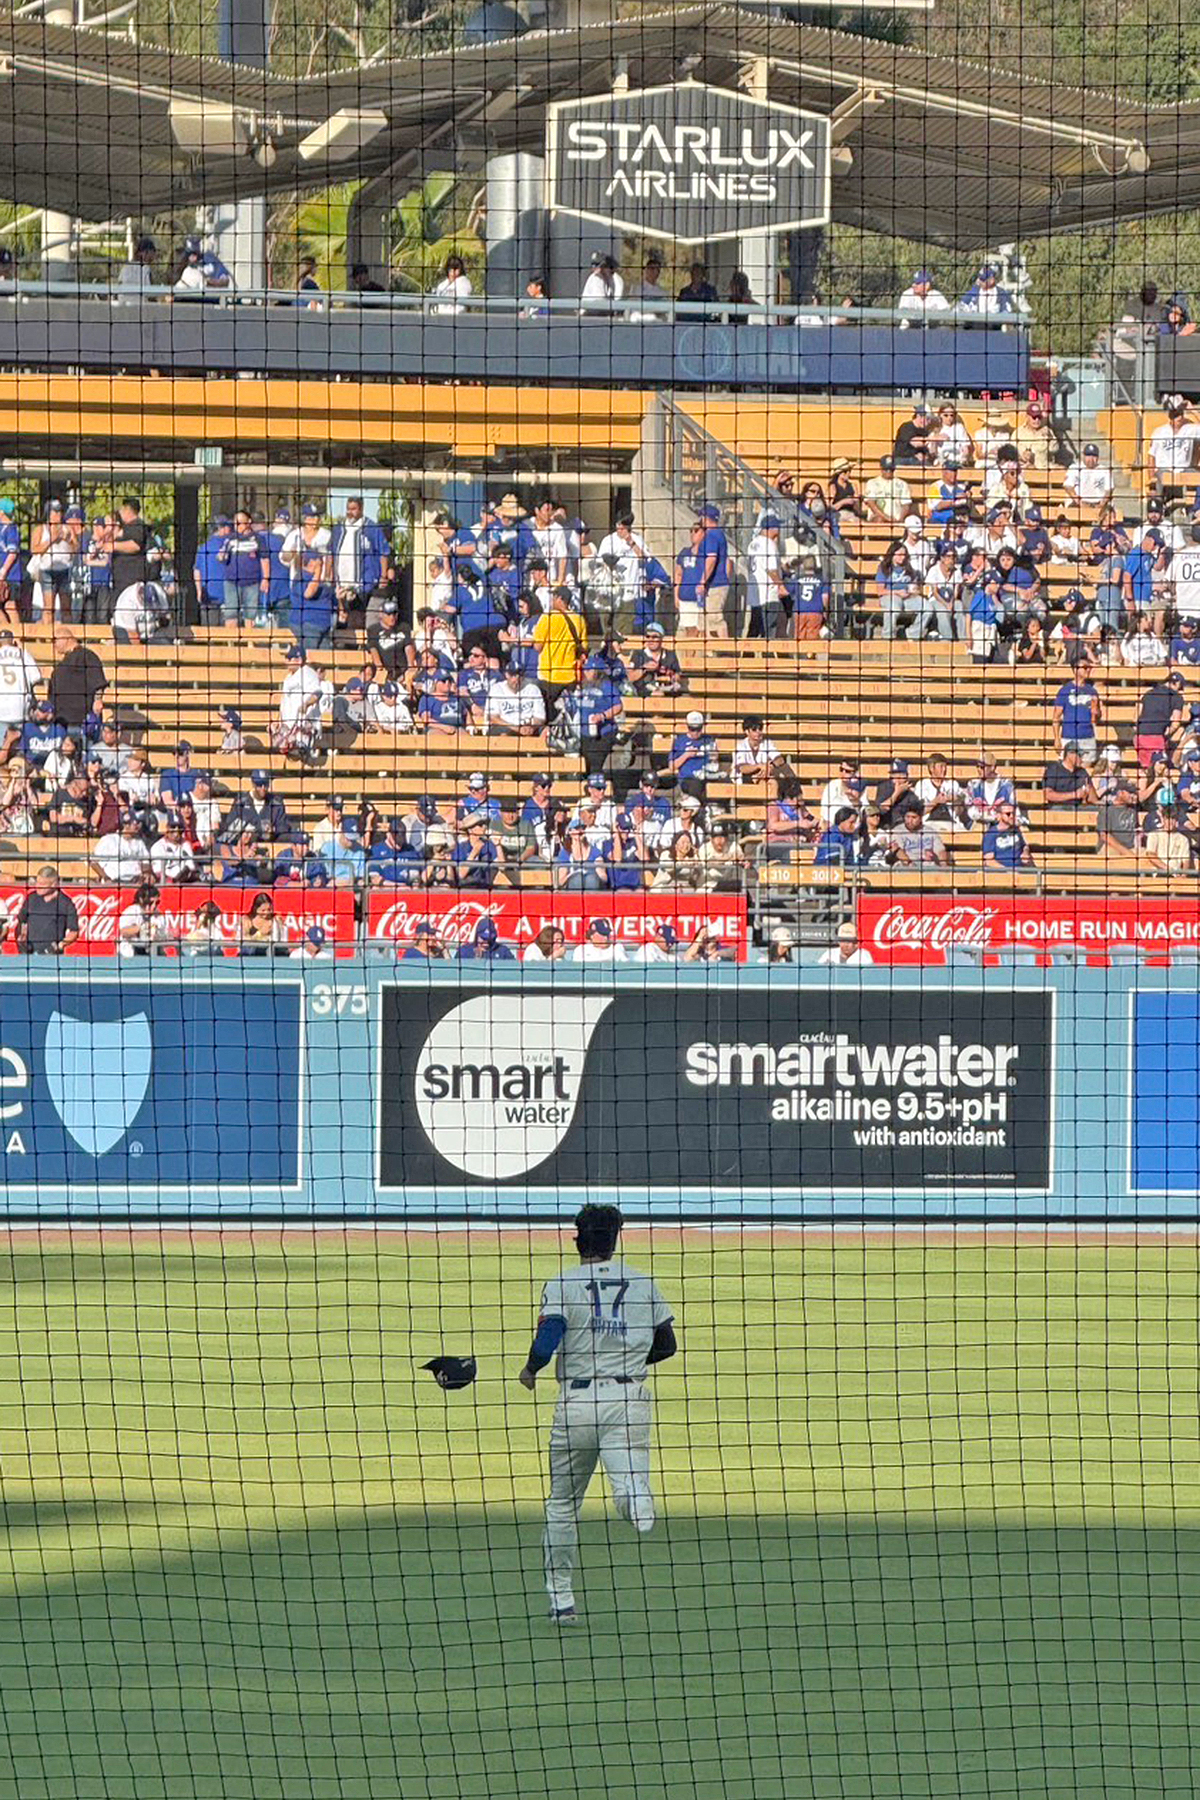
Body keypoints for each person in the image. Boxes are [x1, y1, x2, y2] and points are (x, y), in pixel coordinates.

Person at [519, 1201, 676, 1626]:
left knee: (563, 1504)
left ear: (577, 1239)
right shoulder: (643, 1283)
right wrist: (627, 1361)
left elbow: (550, 1334)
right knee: (628, 1477)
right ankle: (633, 1496)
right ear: (615, 1239)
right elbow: (667, 1344)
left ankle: (561, 1600)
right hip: (627, 1399)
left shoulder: (563, 1283)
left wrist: (532, 1368)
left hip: (576, 1402)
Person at [328, 497, 391, 635]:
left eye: (354, 509)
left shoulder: (371, 528)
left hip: (366, 583)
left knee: (364, 619)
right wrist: (329, 573)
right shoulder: (338, 529)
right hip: (342, 584)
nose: (350, 512)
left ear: (361, 509)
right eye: (348, 509)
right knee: (343, 619)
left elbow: (383, 552)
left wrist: (383, 575)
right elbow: (330, 553)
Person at [46, 627, 106, 732]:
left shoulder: (86, 655)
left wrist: (98, 700)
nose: (54, 644)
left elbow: (97, 679)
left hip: (80, 719)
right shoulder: (64, 662)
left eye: (55, 640)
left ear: (67, 638)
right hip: (60, 719)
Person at [16, 865, 79, 954]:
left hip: (52, 955)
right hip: (29, 952)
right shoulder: (31, 899)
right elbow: (22, 921)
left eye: (42, 884)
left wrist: (60, 945)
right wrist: (22, 936)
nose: (37, 886)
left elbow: (74, 931)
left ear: (54, 884)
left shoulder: (65, 903)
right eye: (37, 882)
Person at [982, 801, 1034, 869]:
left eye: (1013, 813)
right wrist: (1007, 871)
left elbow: (1024, 845)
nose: (1012, 816)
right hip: (1001, 873)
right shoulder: (991, 834)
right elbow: (989, 861)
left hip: (1020, 869)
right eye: (1008, 814)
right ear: (999, 815)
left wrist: (1025, 852)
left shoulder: (1016, 830)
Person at [1063, 444, 1115, 511]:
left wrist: (1102, 504)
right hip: (1078, 503)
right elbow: (1068, 487)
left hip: (1099, 503)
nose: (1091, 459)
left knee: (1109, 512)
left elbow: (1109, 490)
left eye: (1094, 456)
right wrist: (1079, 502)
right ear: (1083, 456)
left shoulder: (1104, 470)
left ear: (1098, 457)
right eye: (1088, 455)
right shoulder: (1075, 468)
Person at [862, 456, 913, 523]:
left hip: (896, 518)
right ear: (881, 468)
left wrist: (900, 519)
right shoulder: (872, 483)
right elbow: (871, 504)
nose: (888, 471)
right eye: (886, 469)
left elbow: (906, 505)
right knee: (879, 519)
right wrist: (886, 518)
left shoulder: (902, 484)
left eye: (891, 469)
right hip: (878, 517)